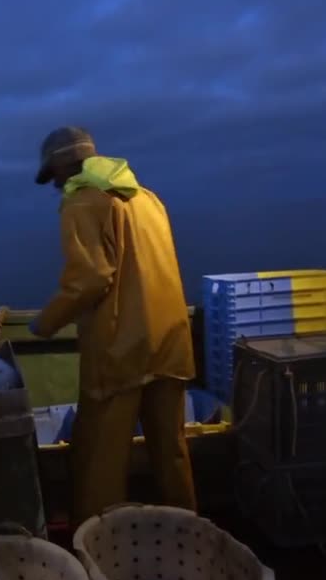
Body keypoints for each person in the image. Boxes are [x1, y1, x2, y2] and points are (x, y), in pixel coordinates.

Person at [27, 126, 198, 527]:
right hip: (171, 343)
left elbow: (90, 278)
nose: (54, 184)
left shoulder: (83, 202)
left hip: (122, 351)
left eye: (52, 176)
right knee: (171, 454)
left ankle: (95, 544)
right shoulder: (147, 199)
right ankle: (190, 532)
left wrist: (45, 323)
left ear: (63, 167)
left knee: (98, 458)